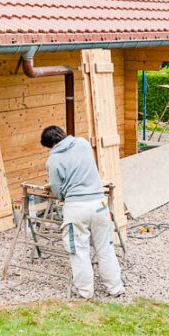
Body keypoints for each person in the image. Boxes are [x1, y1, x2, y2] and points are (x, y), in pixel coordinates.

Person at [40, 125, 124, 299]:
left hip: (76, 207)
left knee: (78, 251)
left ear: (52, 144)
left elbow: (56, 188)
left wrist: (63, 193)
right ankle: (115, 288)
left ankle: (85, 292)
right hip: (99, 204)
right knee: (105, 249)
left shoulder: (53, 160)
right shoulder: (83, 144)